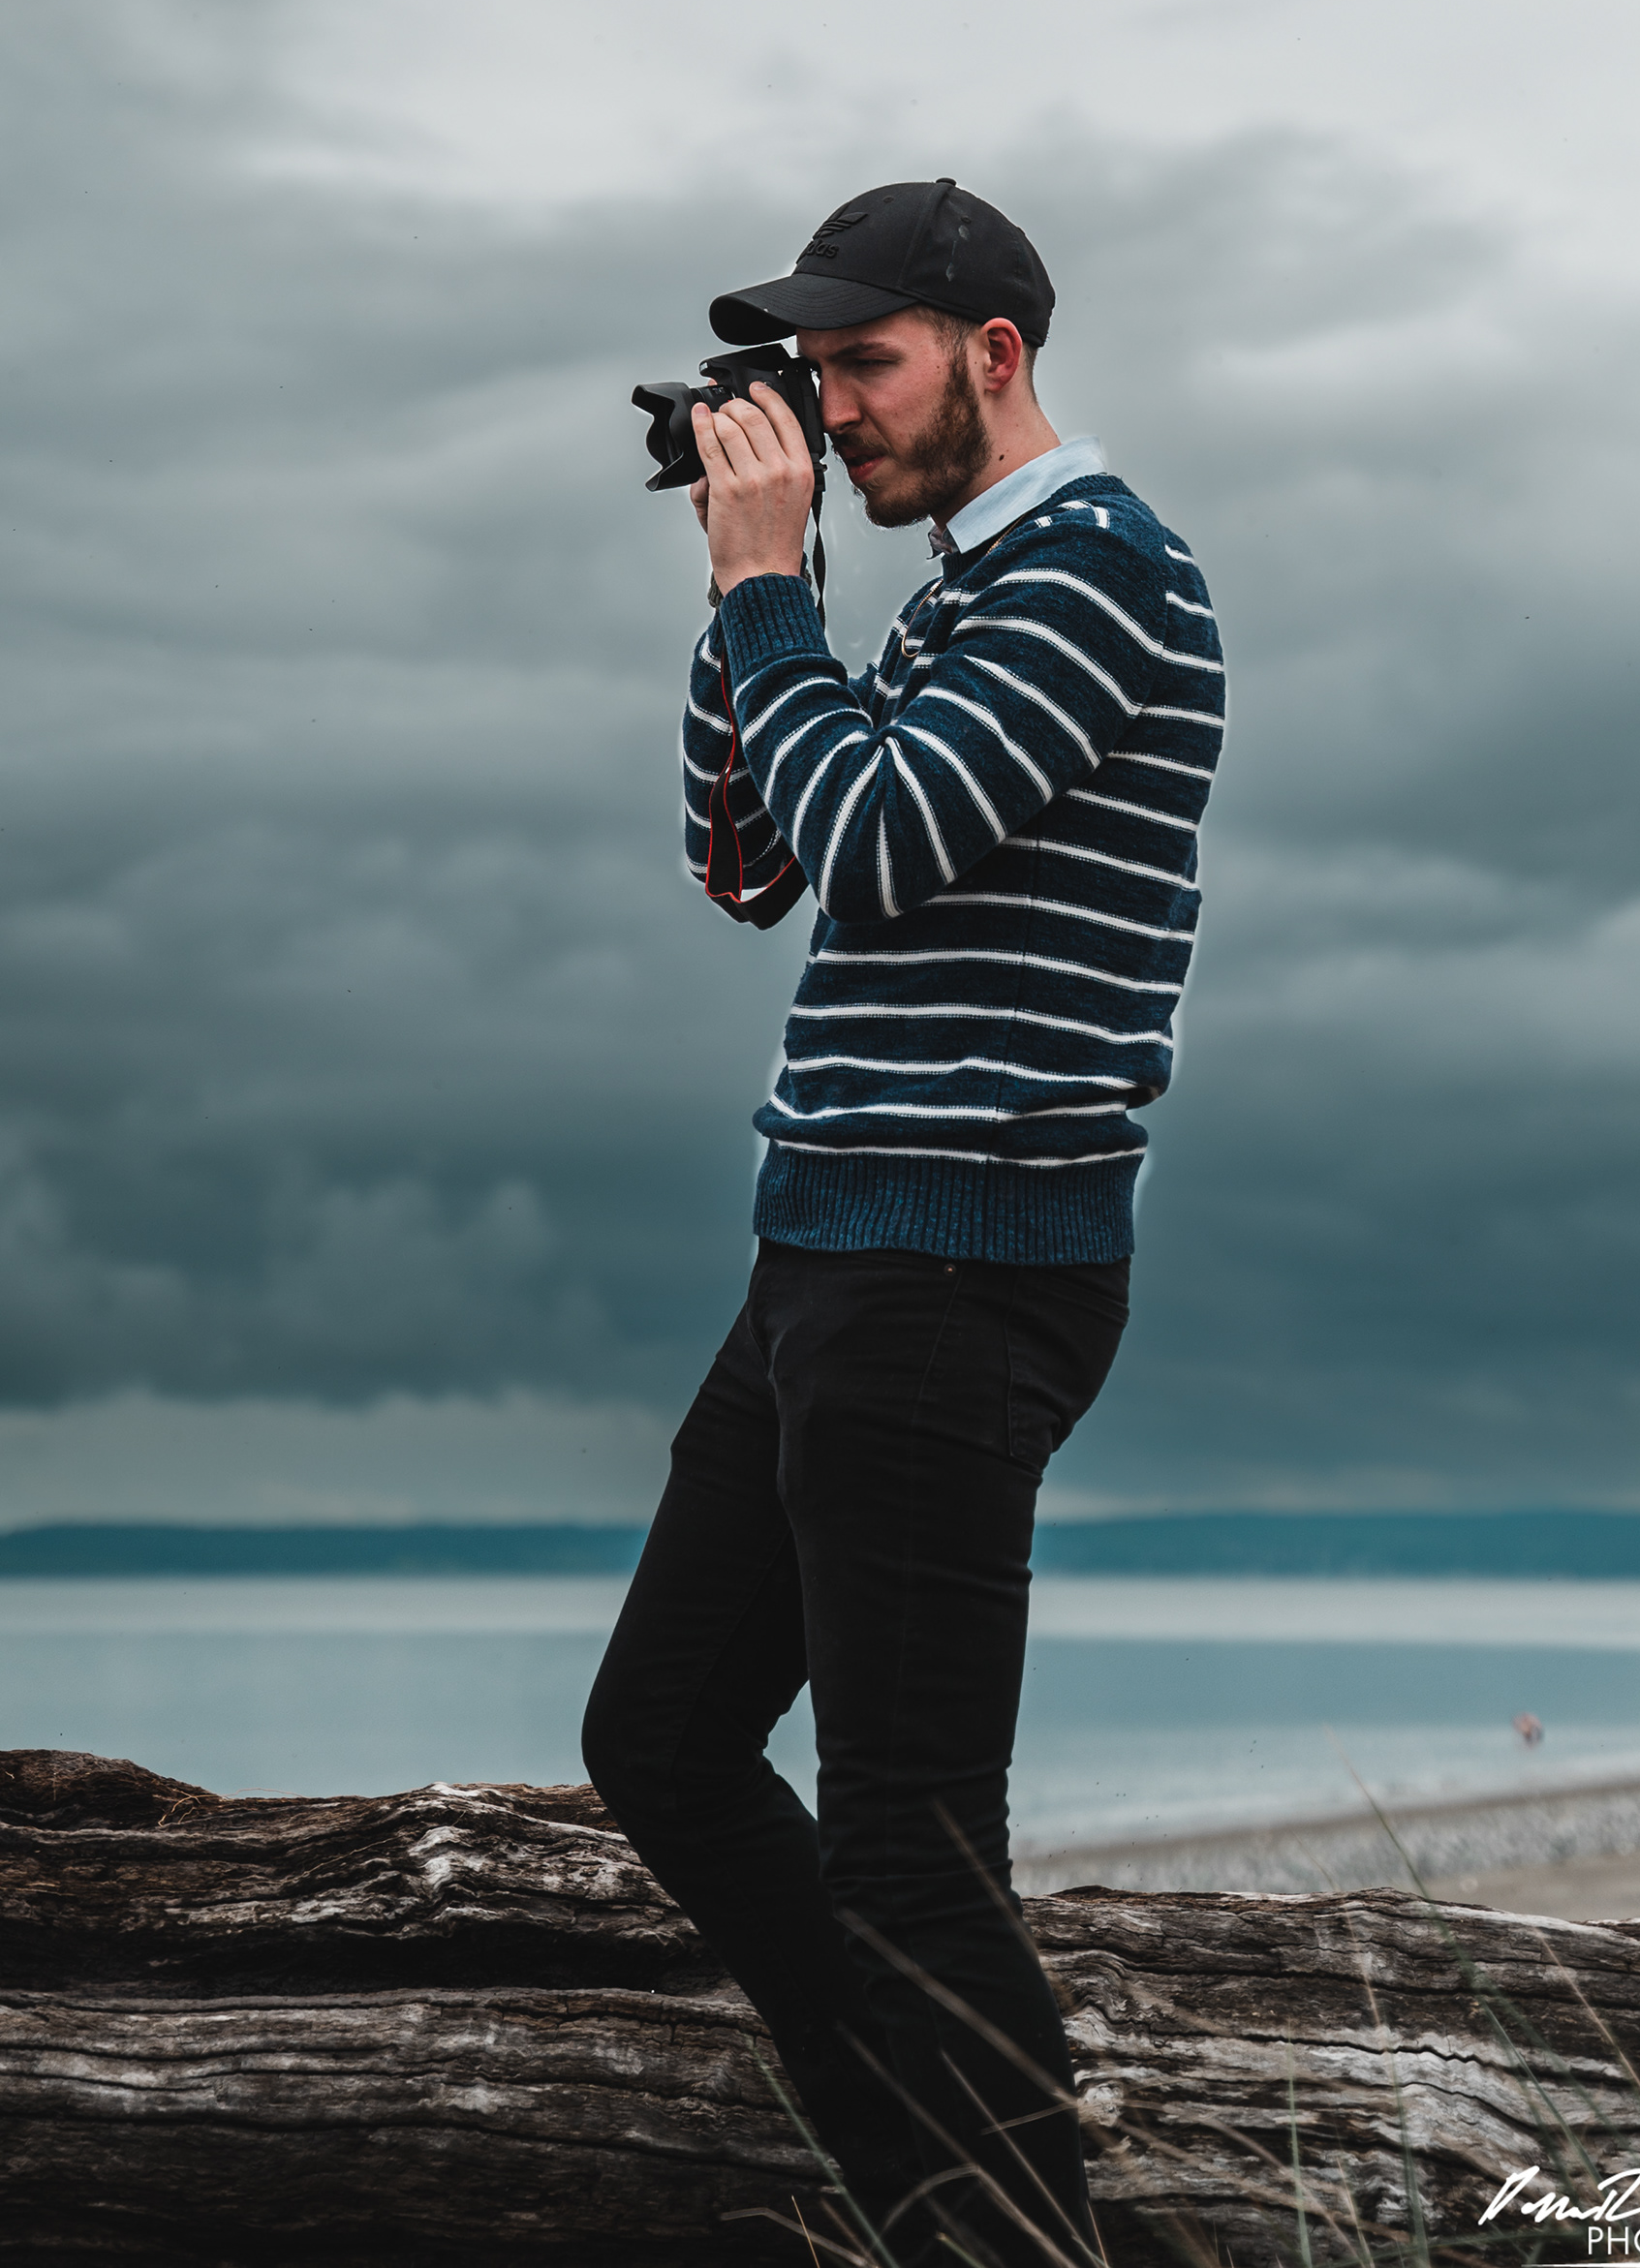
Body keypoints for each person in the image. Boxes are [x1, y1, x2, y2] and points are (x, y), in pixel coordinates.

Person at [583, 177, 1224, 2265]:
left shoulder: (1100, 575)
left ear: (996, 356)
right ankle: (935, 2199)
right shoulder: (964, 585)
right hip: (835, 1251)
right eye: (816, 372)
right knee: (664, 1738)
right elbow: (744, 863)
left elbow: (869, 840)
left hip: (957, 1264)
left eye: (866, 364)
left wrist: (783, 591)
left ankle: (1013, 2241)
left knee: (913, 1851)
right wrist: (734, 581)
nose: (835, 411)